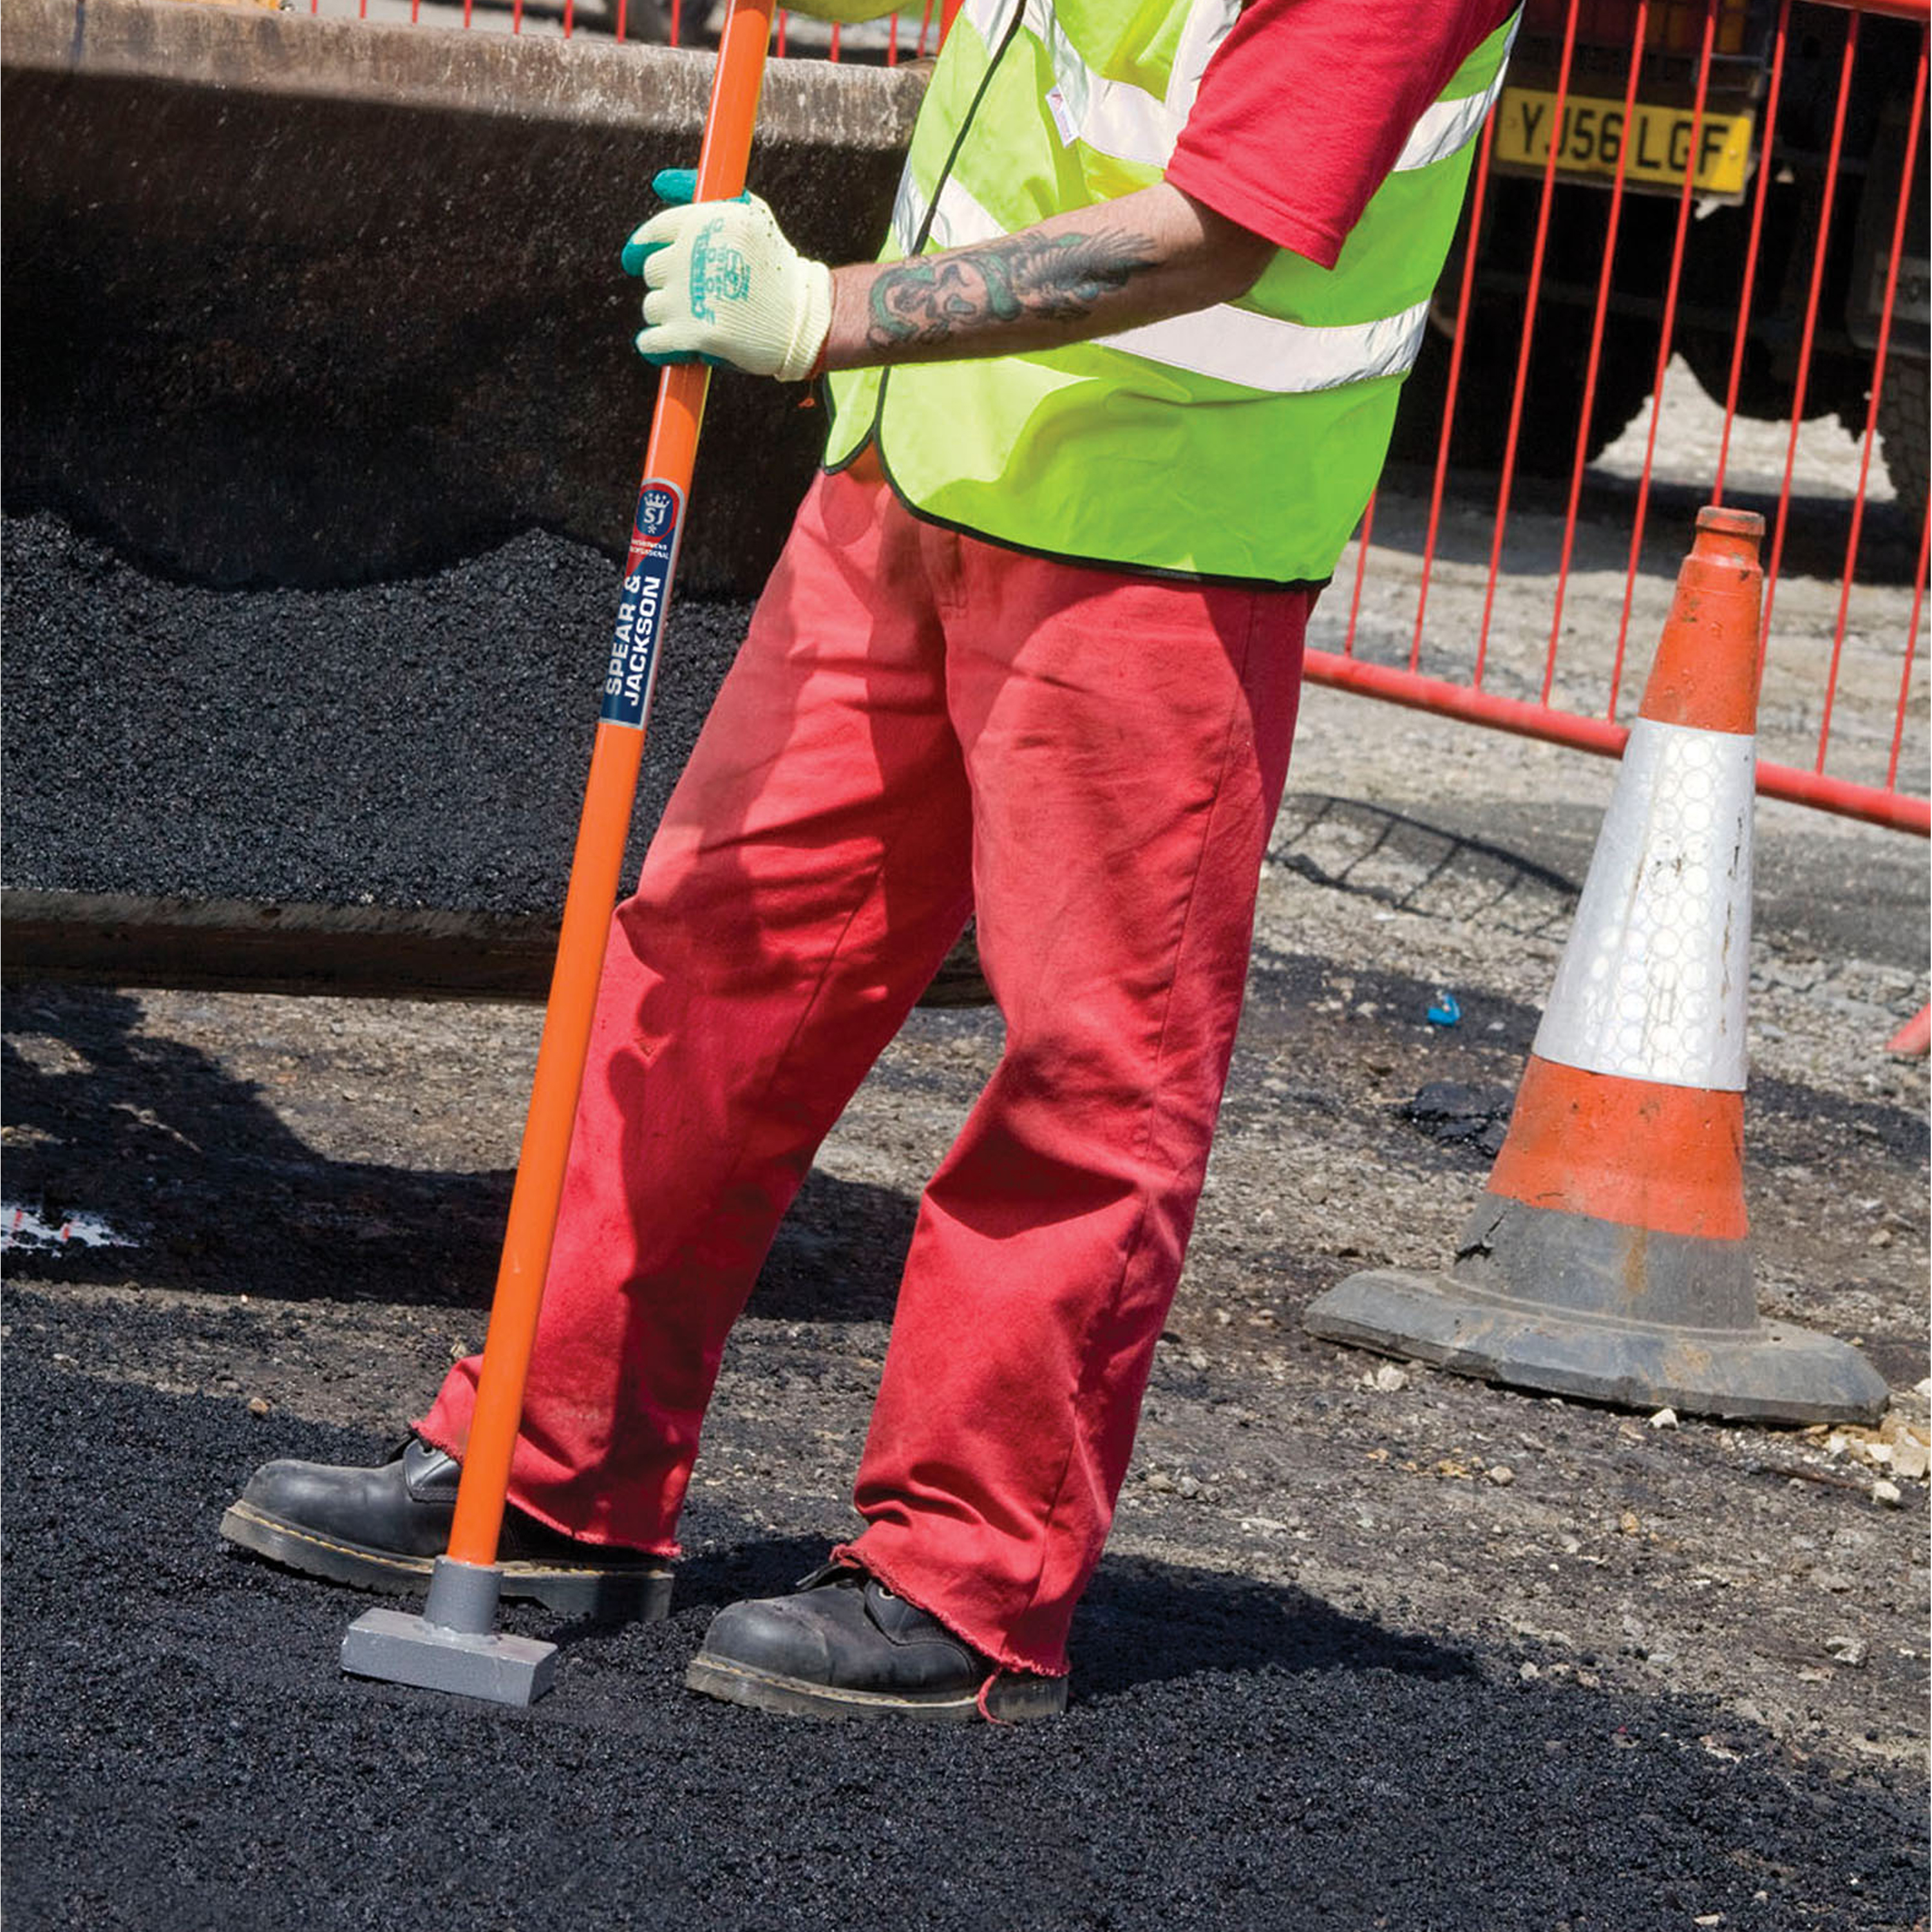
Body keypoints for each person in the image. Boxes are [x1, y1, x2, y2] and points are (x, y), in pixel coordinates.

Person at [223, 0, 1520, 1723]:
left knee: (1092, 1067)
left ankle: (969, 1576)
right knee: (709, 954)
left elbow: (1223, 228)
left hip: (1162, 531)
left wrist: (827, 314)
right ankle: (548, 1476)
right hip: (910, 473)